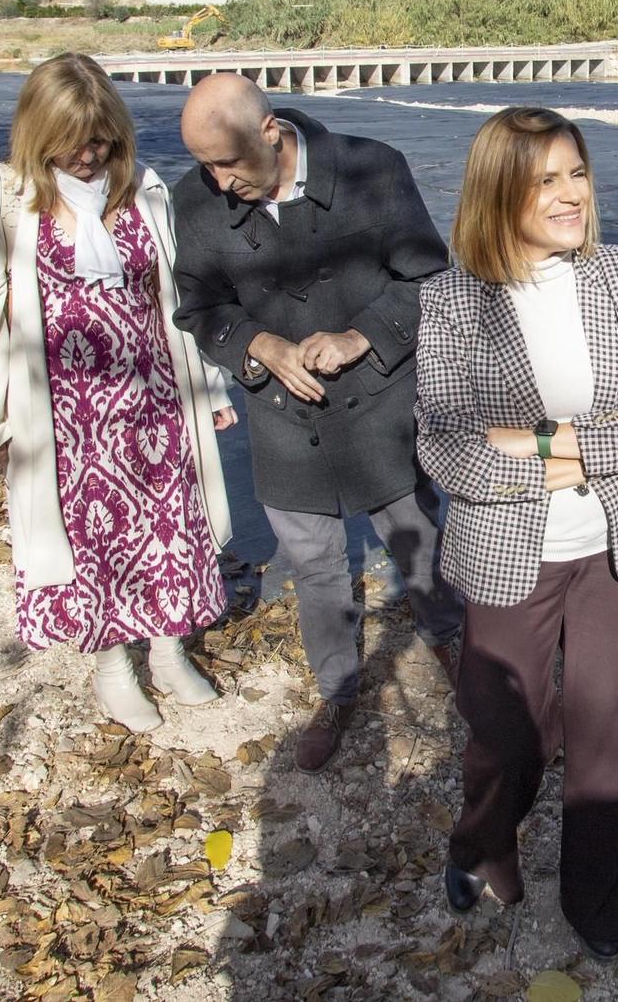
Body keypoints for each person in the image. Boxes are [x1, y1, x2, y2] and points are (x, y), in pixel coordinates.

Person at [415, 107, 618, 962]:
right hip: (509, 550)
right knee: (508, 735)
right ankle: (484, 838)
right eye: (547, 180)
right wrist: (589, 440)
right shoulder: (452, 300)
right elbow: (446, 446)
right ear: (501, 190)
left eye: (577, 173)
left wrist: (534, 441)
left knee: (615, 736)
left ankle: (604, 908)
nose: (571, 194)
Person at [171, 74, 463, 773]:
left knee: (416, 537)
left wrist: (362, 336)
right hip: (279, 417)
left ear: (271, 131)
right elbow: (198, 308)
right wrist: (258, 346)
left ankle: (456, 649)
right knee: (313, 562)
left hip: (382, 407)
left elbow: (429, 278)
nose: (216, 181)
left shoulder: (372, 167)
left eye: (227, 162)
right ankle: (337, 688)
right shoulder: (196, 200)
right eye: (204, 164)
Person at [0, 52, 237, 733]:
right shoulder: (2, 197)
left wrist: (215, 385)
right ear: (37, 133)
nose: (88, 156)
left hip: (156, 396)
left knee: (172, 525)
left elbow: (179, 293)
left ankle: (168, 653)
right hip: (63, 415)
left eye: (101, 139)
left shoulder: (141, 187)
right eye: (73, 142)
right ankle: (114, 666)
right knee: (91, 539)